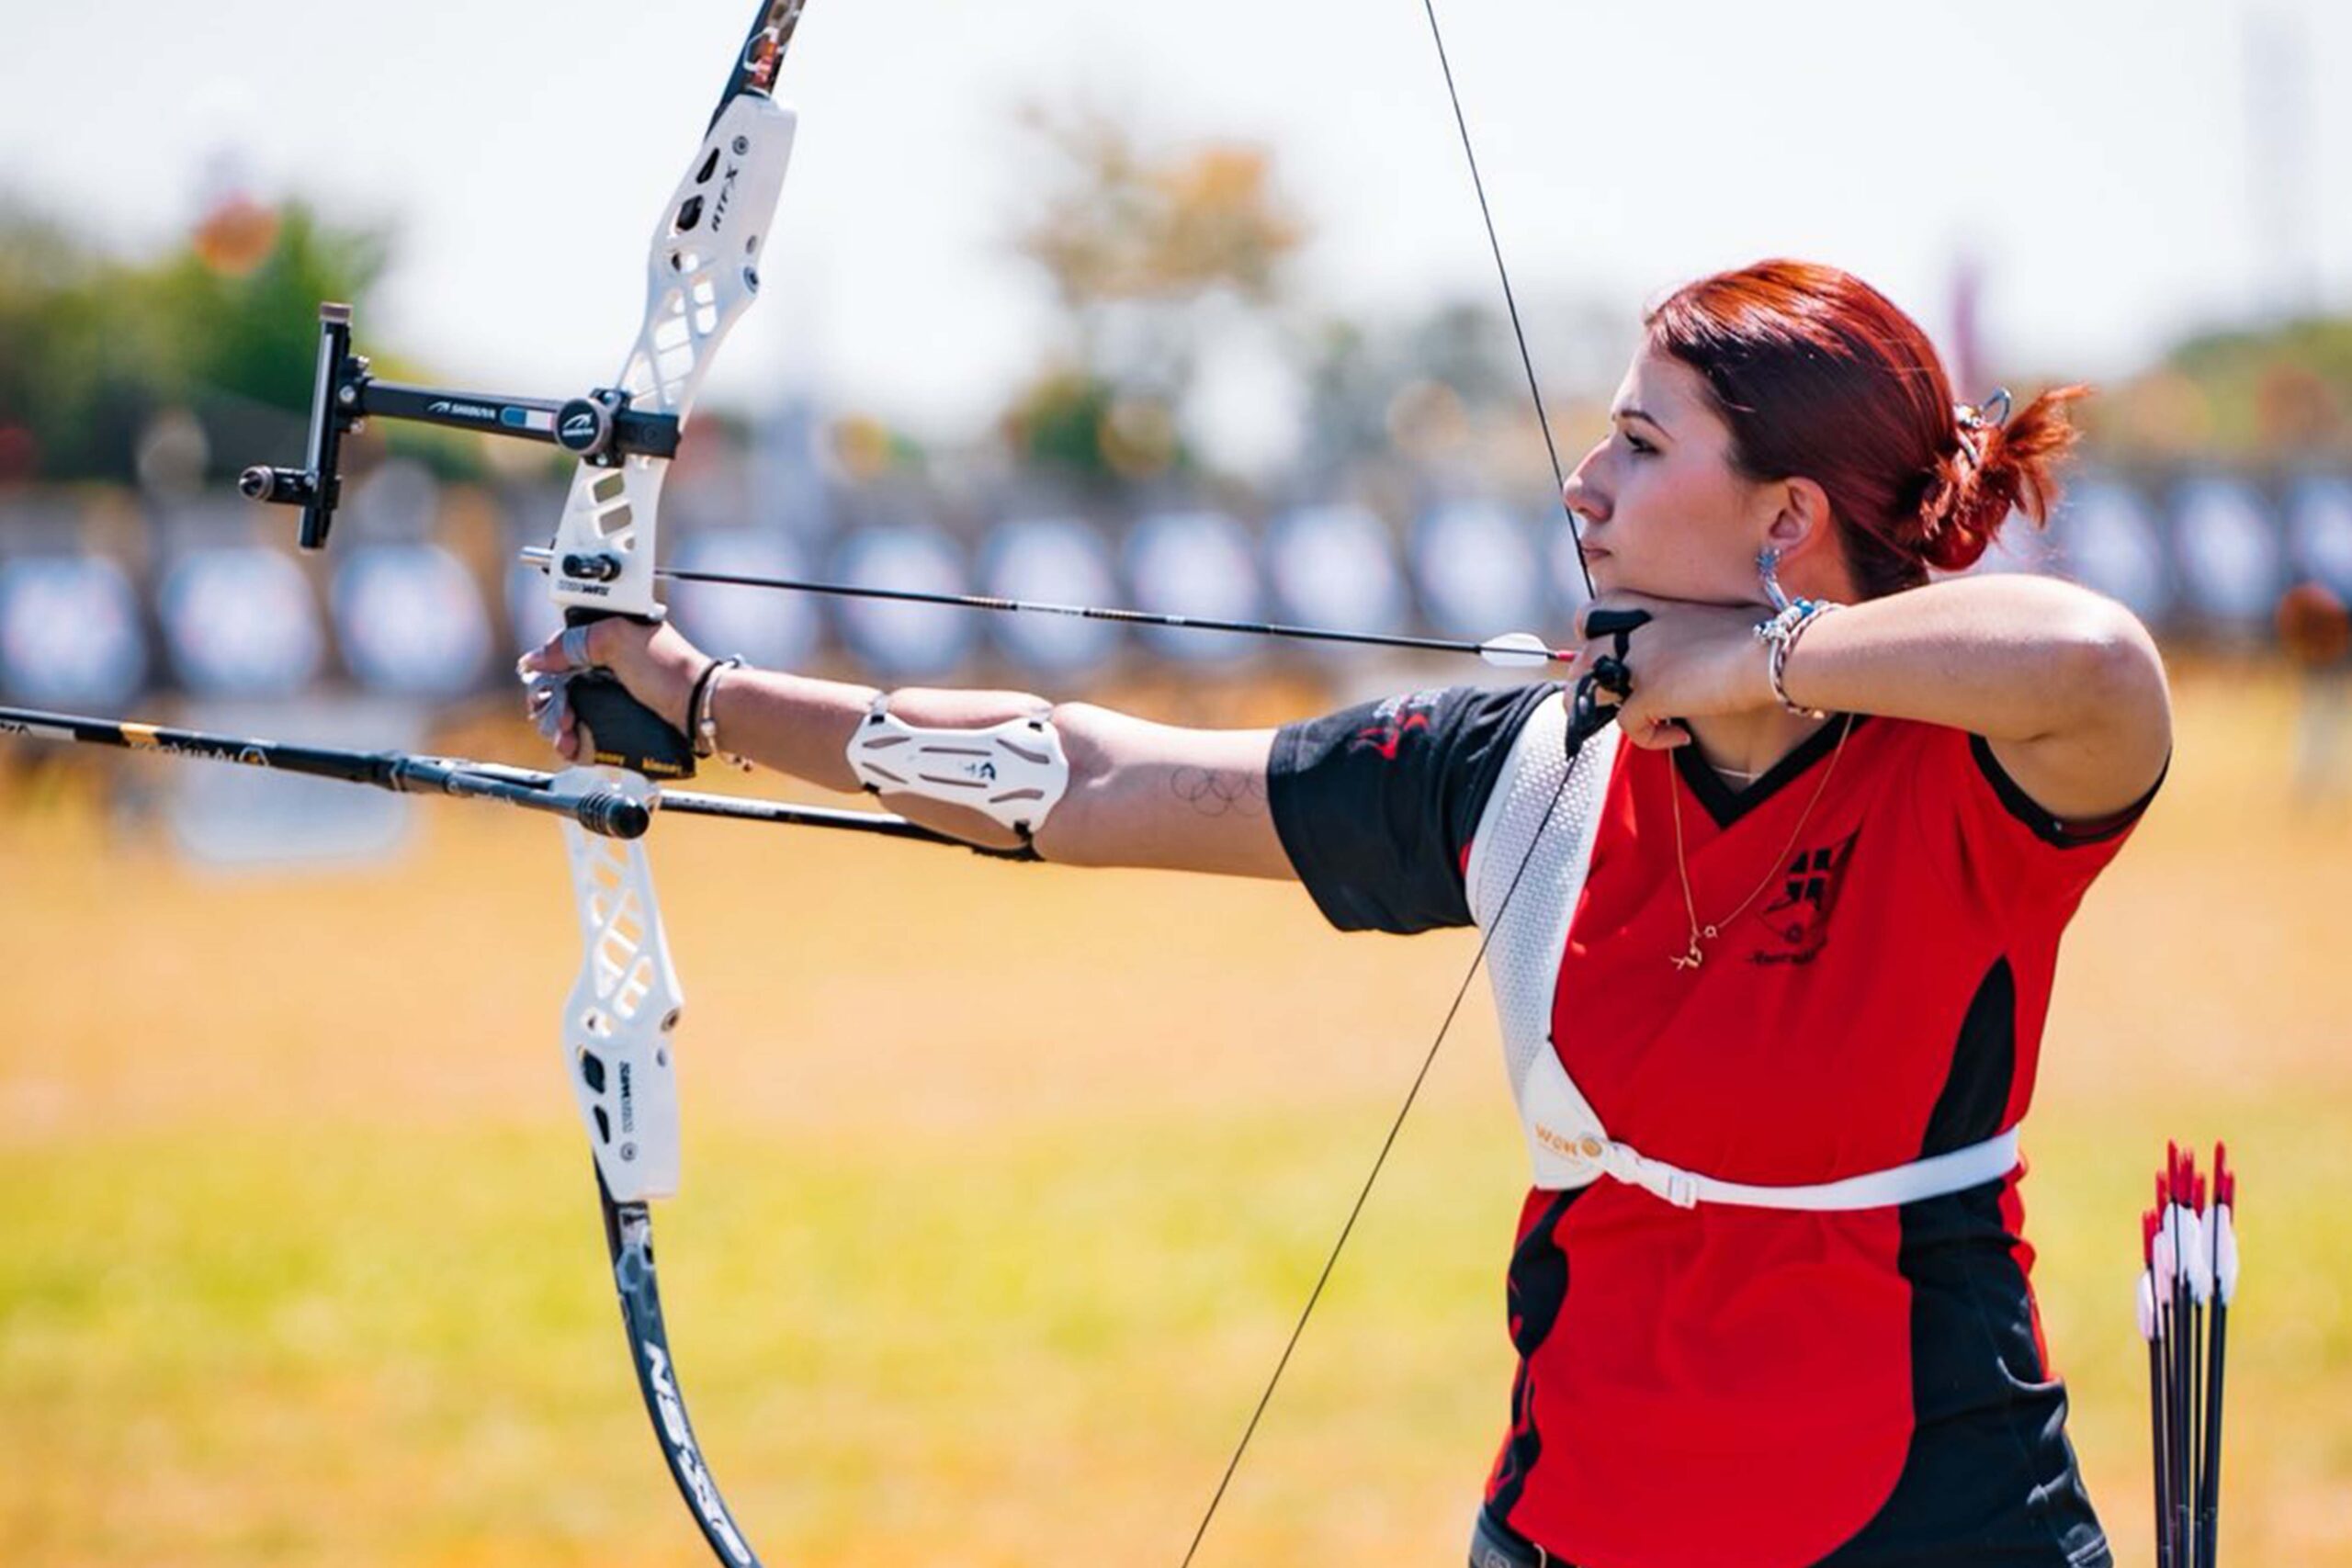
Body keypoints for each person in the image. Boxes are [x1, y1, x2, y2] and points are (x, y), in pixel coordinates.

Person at [521, 259, 2172, 1567]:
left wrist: (1748, 664)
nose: (1583, 485)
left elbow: (2099, 665)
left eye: (1641, 444)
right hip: (1576, 1522)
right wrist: (706, 695)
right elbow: (1085, 780)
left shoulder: (1965, 781)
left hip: (1925, 1518)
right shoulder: (1524, 770)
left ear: (1786, 518)